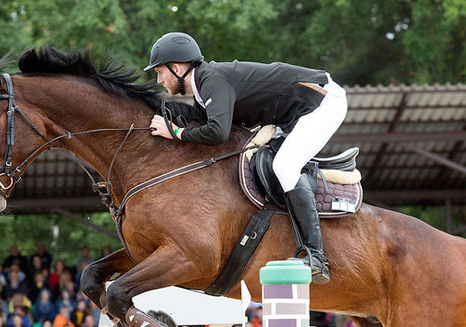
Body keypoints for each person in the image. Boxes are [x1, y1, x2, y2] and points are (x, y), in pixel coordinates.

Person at [144, 33, 348, 283]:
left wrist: (176, 133)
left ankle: (316, 256)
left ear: (176, 68)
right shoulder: (202, 86)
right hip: (292, 113)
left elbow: (217, 131)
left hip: (322, 103)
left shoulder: (212, 80)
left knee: (284, 165)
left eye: (160, 72)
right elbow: (200, 118)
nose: (159, 79)